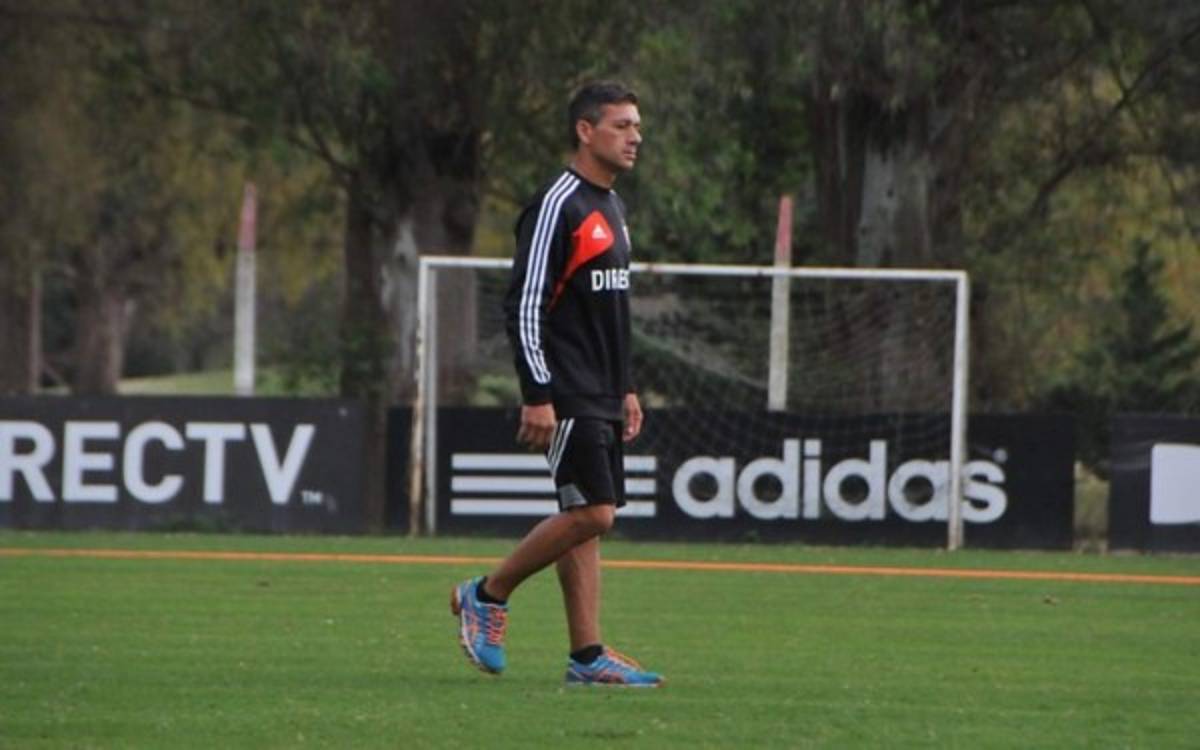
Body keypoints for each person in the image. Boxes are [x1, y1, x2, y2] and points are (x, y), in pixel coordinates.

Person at [450, 81, 662, 687]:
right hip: (565, 388)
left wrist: (625, 386)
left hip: (601, 388)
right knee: (596, 513)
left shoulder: (613, 209)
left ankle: (587, 656)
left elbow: (611, 310)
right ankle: (487, 594)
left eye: (637, 126)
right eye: (622, 125)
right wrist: (538, 391)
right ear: (585, 131)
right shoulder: (558, 204)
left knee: (580, 515)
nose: (634, 137)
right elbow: (525, 304)